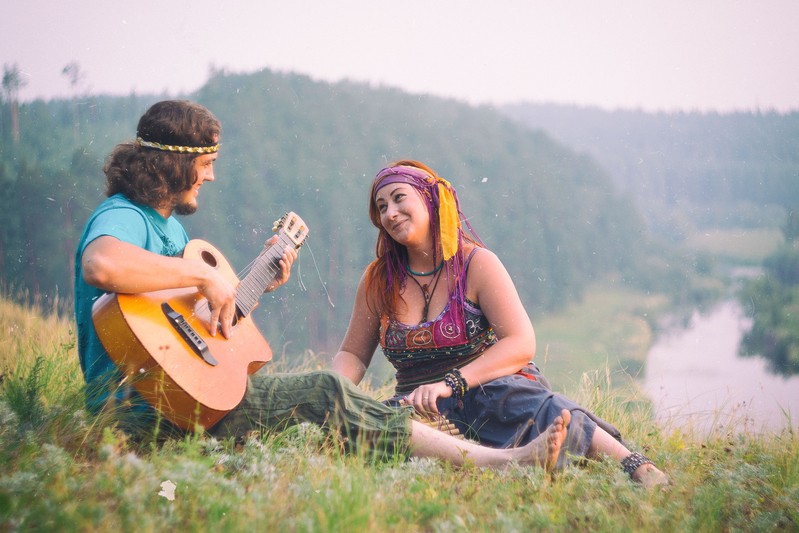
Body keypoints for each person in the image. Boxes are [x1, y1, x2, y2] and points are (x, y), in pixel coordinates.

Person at [73, 100, 572, 470]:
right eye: (206, 165)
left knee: (323, 401)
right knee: (324, 389)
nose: (212, 176)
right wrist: (205, 275)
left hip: (178, 395)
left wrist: (251, 287)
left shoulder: (172, 232)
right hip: (140, 409)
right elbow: (101, 264)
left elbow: (188, 330)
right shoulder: (123, 217)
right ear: (176, 164)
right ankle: (499, 464)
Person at [331, 160, 669, 487]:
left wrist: (451, 384)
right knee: (376, 423)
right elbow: (354, 354)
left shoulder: (476, 263)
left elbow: (520, 342)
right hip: (418, 407)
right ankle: (506, 460)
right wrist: (331, 392)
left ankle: (637, 466)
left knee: (529, 402)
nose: (390, 213)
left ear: (431, 200)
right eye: (381, 206)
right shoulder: (377, 280)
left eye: (399, 198)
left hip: (487, 389)